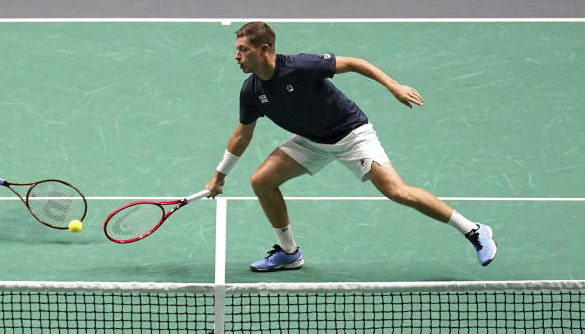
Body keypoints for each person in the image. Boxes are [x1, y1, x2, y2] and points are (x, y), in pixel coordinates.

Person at [204, 21, 497, 271]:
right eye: (237, 50)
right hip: (310, 140)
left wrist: (393, 86)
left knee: (398, 191)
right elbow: (242, 135)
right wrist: (220, 174)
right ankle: (289, 253)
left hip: (351, 135)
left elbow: (356, 63)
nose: (237, 56)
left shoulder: (301, 67)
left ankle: (473, 230)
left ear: (264, 49)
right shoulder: (252, 91)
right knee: (262, 181)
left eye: (243, 50)